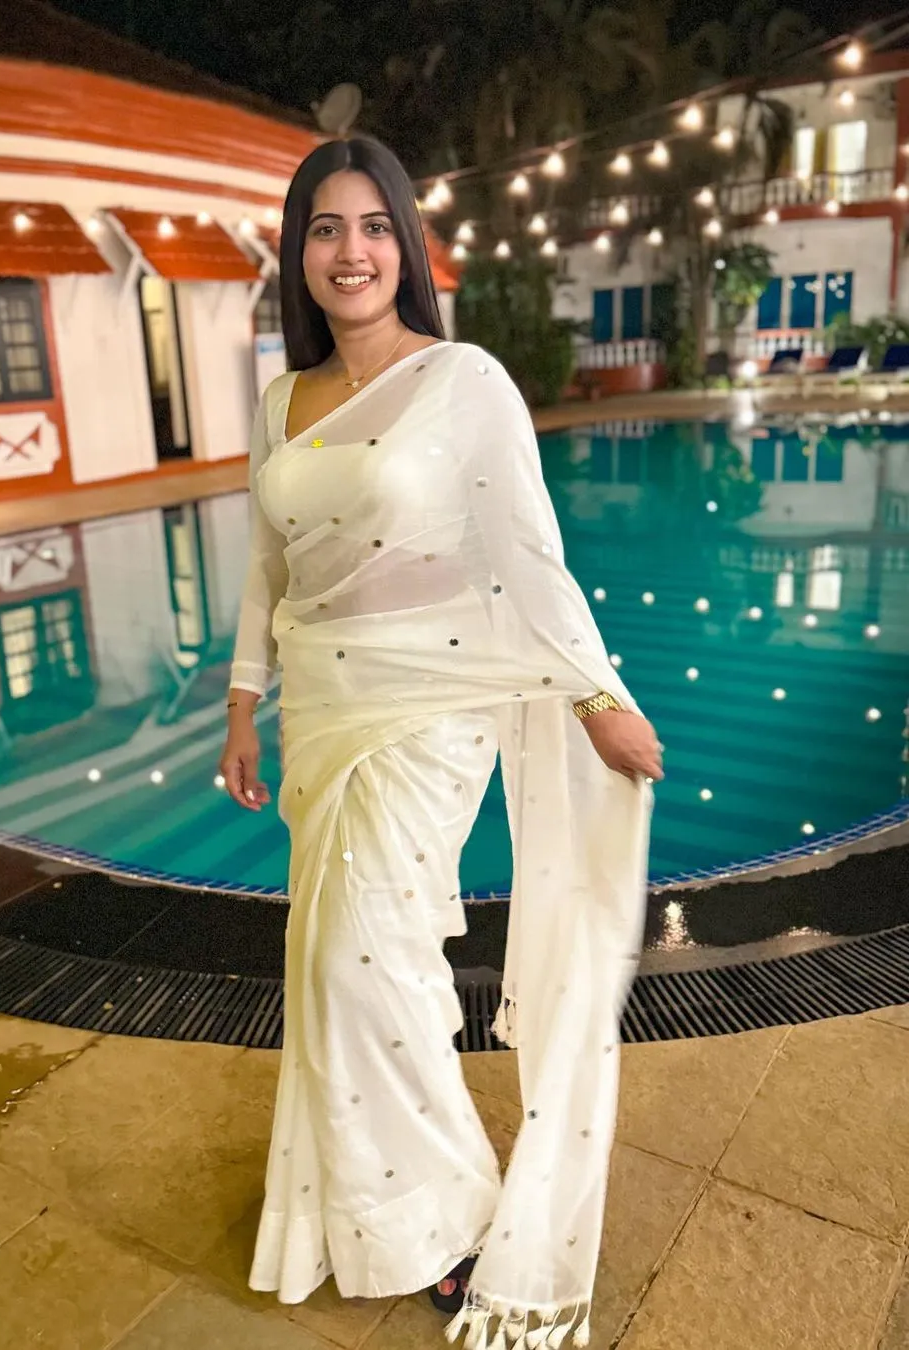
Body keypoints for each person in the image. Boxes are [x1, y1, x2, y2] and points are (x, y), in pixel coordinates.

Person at [220, 135, 662, 1349]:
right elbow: (269, 567)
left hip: (432, 706)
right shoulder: (278, 400)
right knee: (342, 963)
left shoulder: (464, 381)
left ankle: (456, 1219)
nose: (349, 250)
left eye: (372, 226)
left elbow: (528, 555)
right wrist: (243, 699)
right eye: (324, 227)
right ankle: (376, 1206)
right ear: (297, 253)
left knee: (364, 959)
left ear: (405, 247)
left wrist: (594, 697)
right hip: (320, 704)